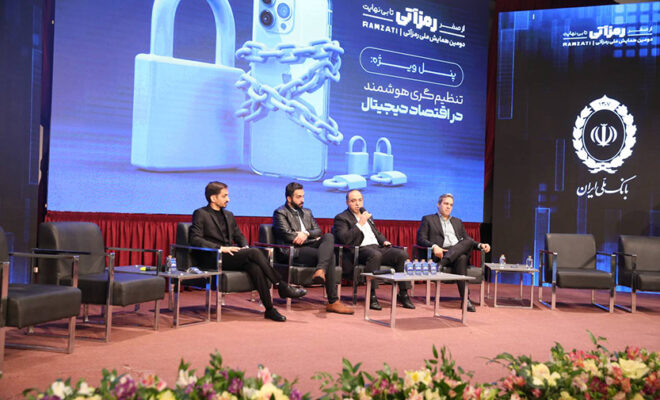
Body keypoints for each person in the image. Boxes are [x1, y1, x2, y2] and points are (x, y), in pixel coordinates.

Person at [189, 181, 306, 322]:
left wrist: (244, 245)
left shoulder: (229, 215)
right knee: (254, 252)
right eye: (224, 196)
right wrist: (220, 248)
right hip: (213, 257)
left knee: (255, 267)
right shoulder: (201, 213)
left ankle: (269, 309)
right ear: (213, 198)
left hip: (230, 256)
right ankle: (281, 285)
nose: (228, 199)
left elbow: (239, 236)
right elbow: (195, 239)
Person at [272, 182, 354, 314]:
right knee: (330, 256)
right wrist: (306, 237)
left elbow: (318, 230)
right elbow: (287, 235)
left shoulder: (307, 212)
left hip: (309, 244)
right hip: (293, 250)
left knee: (328, 236)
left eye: (303, 196)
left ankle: (320, 270)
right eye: (298, 197)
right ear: (289, 198)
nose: (302, 200)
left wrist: (306, 234)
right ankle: (333, 301)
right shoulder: (280, 213)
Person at [332, 189, 415, 310]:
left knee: (401, 255)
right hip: (358, 249)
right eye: (353, 201)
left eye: (360, 200)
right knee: (375, 255)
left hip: (376, 247)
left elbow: (376, 233)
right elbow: (345, 239)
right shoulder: (341, 218)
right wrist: (360, 224)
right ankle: (371, 295)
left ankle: (403, 293)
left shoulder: (367, 215)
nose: (357, 204)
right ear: (347, 203)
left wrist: (384, 241)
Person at [416, 193, 491, 312]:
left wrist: (480, 245)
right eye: (446, 204)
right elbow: (420, 239)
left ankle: (442, 265)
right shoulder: (428, 219)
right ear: (438, 204)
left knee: (466, 242)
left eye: (451, 205)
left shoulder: (457, 221)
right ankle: (465, 299)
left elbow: (468, 241)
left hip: (455, 250)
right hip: (442, 252)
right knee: (462, 257)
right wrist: (434, 246)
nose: (448, 207)